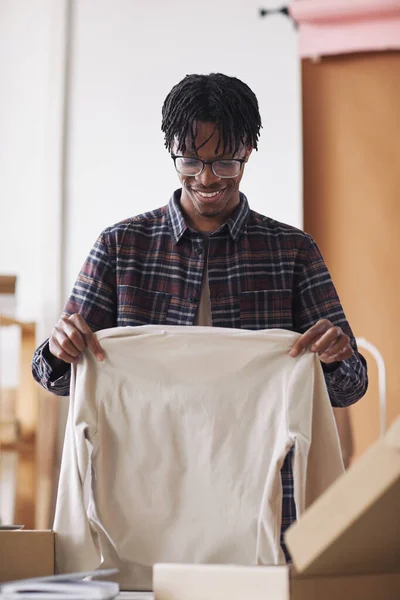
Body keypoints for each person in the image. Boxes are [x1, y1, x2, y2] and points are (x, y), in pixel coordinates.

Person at [32, 73, 368, 559]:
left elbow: (350, 385)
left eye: (225, 160)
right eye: (190, 159)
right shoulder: (120, 247)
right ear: (170, 148)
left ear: (249, 151)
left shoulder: (292, 252)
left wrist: (336, 357)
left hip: (257, 502)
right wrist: (58, 351)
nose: (207, 177)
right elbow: (57, 378)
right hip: (144, 498)